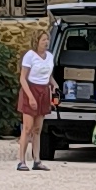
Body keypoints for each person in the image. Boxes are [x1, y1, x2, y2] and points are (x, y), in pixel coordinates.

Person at [16, 28, 56, 170]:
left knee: (38, 129)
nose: (46, 42)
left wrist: (54, 86)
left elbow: (48, 75)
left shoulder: (50, 56)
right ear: (37, 41)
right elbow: (23, 77)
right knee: (27, 128)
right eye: (43, 39)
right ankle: (21, 160)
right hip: (31, 89)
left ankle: (37, 160)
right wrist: (30, 97)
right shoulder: (30, 56)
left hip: (44, 90)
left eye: (47, 40)